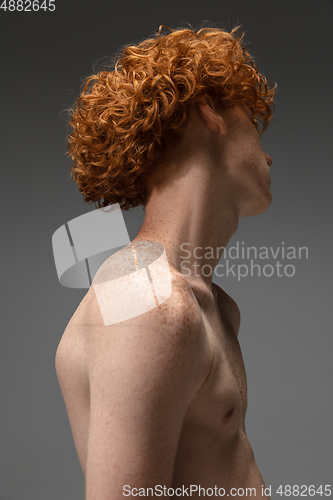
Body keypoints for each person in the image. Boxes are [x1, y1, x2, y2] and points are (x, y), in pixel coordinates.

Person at [55, 23, 276, 499]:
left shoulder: (212, 308)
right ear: (210, 112)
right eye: (253, 123)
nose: (269, 154)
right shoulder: (148, 304)